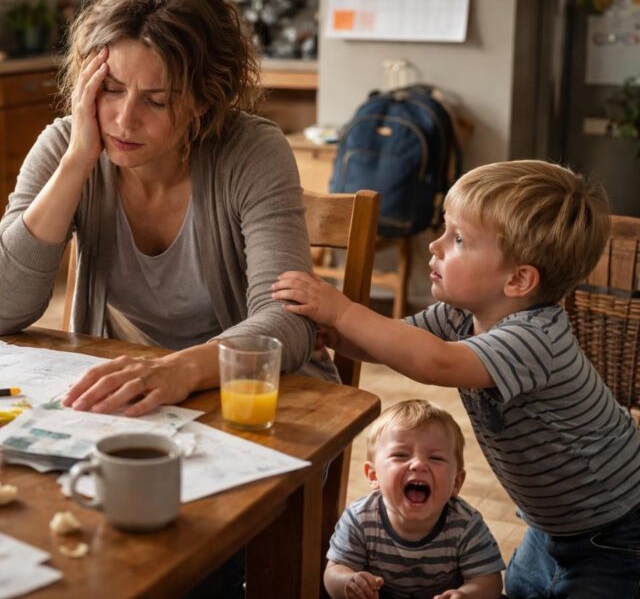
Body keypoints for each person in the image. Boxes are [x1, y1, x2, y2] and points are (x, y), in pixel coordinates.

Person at [0, 0, 336, 420]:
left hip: (254, 399)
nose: (123, 120)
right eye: (112, 90)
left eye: (156, 100)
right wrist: (77, 162)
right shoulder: (67, 144)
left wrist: (176, 371)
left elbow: (289, 321)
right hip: (134, 400)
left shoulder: (252, 151)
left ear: (203, 98)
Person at [274, 160, 640, 598]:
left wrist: (343, 310)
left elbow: (435, 363)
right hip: (549, 525)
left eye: (459, 239)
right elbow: (396, 345)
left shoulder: (535, 338)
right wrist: (337, 334)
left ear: (518, 280)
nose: (435, 245)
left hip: (617, 531)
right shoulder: (462, 314)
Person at [325, 399, 504, 599]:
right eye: (401, 455)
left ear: (456, 482)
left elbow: (490, 581)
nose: (418, 464)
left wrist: (466, 595)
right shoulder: (359, 518)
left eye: (435, 458)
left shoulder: (466, 524)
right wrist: (348, 582)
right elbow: (334, 572)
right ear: (373, 475)